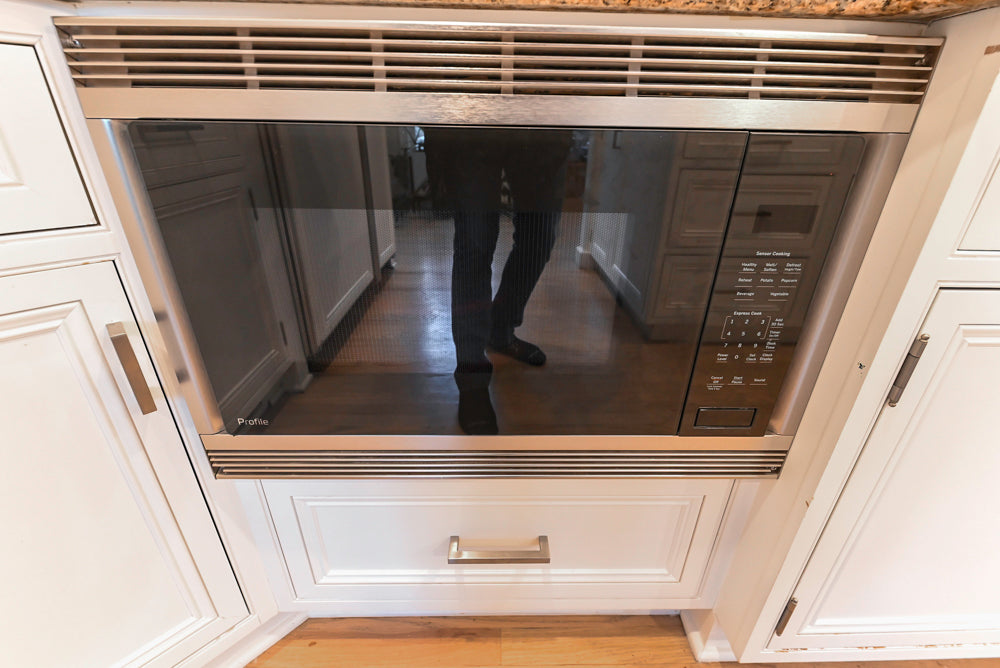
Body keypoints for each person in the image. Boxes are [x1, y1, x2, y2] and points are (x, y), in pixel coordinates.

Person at [423, 127, 573, 434]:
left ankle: (500, 330)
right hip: (472, 112)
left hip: (543, 112)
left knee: (540, 235)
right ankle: (472, 376)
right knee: (475, 241)